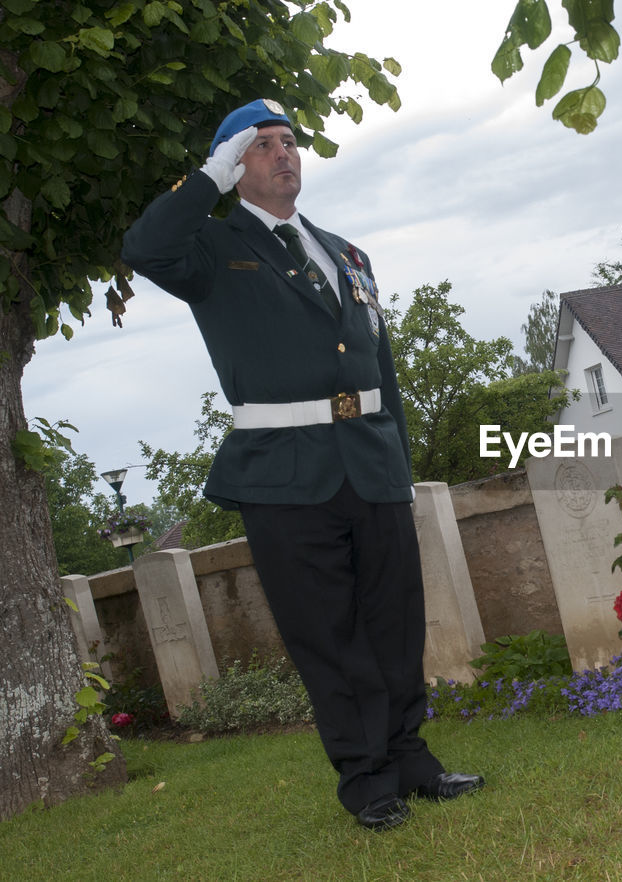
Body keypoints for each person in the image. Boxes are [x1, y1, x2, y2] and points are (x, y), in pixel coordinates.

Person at [121, 98, 483, 831]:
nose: (283, 154)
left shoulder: (348, 254)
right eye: (262, 147)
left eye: (289, 143)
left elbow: (382, 372)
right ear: (234, 165)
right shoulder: (212, 249)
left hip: (370, 462)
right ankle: (367, 781)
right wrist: (208, 179)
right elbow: (145, 248)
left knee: (394, 622)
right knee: (328, 633)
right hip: (284, 475)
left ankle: (411, 759)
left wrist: (400, 467)